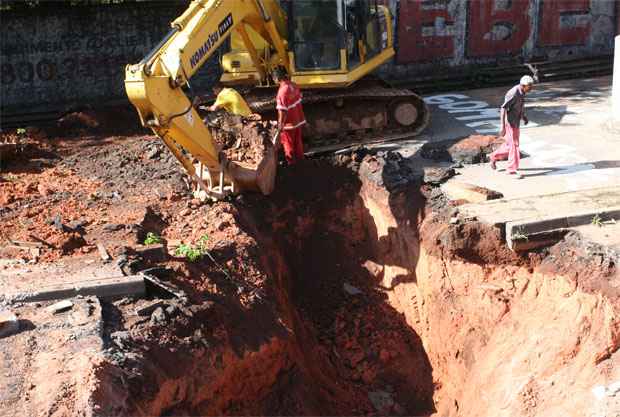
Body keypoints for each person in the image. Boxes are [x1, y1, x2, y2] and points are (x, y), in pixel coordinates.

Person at [489, 75, 535, 179]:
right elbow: (503, 108)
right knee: (515, 145)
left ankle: (493, 156)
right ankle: (511, 170)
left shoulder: (523, 92)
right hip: (509, 123)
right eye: (530, 86)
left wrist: (524, 117)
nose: (531, 88)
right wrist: (502, 126)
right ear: (523, 85)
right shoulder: (513, 93)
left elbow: (520, 106)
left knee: (510, 146)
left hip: (516, 122)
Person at [273, 66, 306, 165]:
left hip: (289, 125)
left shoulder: (282, 92)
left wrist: (280, 126)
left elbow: (283, 112)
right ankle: (301, 163)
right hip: (298, 121)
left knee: (288, 145)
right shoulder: (294, 85)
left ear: (277, 78)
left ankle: (292, 167)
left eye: (273, 78)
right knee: (298, 143)